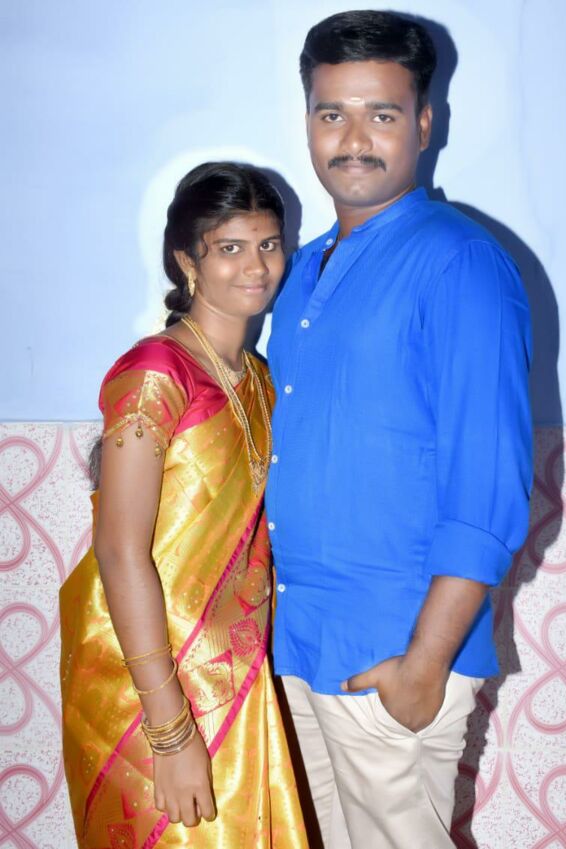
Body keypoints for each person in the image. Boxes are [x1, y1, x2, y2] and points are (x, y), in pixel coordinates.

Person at [266, 11, 532, 849]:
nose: (353, 139)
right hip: (301, 642)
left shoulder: (461, 263)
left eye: (381, 113)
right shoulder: (298, 272)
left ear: (423, 122)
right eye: (331, 113)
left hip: (395, 652)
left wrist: (424, 664)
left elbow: (488, 487)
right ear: (308, 121)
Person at [60, 162, 308, 848]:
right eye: (230, 247)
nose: (255, 266)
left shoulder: (257, 379)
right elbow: (119, 551)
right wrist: (169, 729)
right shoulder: (156, 373)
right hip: (151, 680)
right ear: (187, 261)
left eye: (268, 244)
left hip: (234, 671)